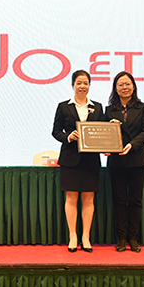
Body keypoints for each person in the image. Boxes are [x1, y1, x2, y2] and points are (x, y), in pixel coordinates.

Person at [52, 70, 104, 253]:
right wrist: (68, 137)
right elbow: (55, 131)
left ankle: (86, 236)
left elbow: (102, 131)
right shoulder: (63, 106)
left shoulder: (98, 107)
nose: (82, 86)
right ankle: (73, 235)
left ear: (90, 85)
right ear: (72, 85)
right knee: (71, 198)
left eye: (86, 83)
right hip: (70, 159)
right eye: (79, 83)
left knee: (88, 199)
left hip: (91, 160)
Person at [105, 71, 144, 252]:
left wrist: (132, 144)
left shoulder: (142, 107)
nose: (124, 87)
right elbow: (103, 134)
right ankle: (121, 238)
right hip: (116, 160)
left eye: (127, 84)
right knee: (119, 200)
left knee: (135, 200)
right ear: (115, 88)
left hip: (137, 158)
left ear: (133, 86)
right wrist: (107, 143)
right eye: (121, 84)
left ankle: (133, 237)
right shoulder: (109, 110)